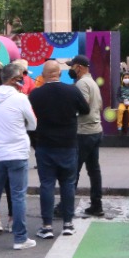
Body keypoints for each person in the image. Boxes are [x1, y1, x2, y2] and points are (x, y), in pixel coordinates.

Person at [0, 63, 38, 250]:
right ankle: (20, 239)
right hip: (17, 153)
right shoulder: (21, 99)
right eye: (20, 77)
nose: (22, 80)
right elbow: (33, 124)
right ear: (13, 79)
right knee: (18, 196)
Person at [29, 60, 88, 239]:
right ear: (59, 74)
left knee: (46, 184)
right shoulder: (72, 91)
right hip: (68, 144)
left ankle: (47, 226)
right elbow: (85, 109)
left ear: (43, 75)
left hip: (45, 145)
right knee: (68, 184)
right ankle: (68, 223)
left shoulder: (36, 94)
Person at [68, 55, 105, 218]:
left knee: (72, 171)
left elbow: (83, 106)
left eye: (72, 66)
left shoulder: (82, 83)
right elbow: (100, 105)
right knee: (94, 170)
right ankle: (97, 205)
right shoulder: (93, 82)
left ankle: (66, 206)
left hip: (83, 131)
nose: (71, 69)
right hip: (95, 130)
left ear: (79, 67)